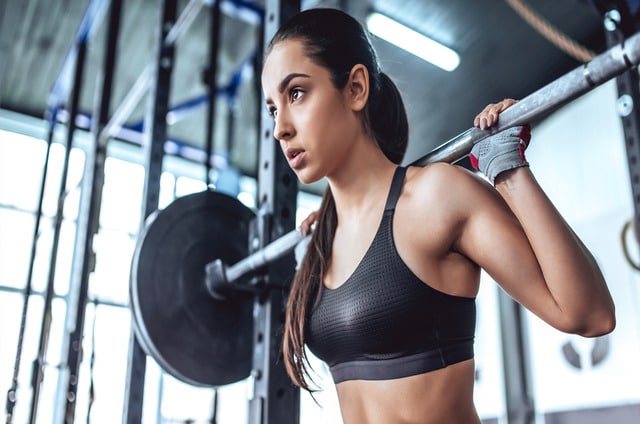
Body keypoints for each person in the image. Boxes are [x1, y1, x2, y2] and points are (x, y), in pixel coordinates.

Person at [260, 7, 616, 424]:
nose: (279, 127)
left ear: (355, 88)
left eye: (296, 93)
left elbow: (590, 314)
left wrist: (508, 170)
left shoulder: (435, 196)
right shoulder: (323, 236)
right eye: (272, 108)